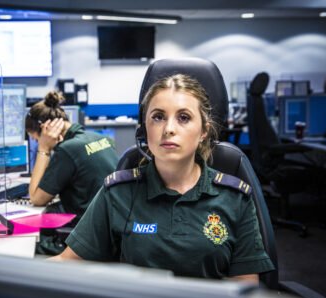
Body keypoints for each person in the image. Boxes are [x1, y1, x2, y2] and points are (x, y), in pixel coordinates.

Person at [50, 74, 275, 284]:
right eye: (158, 117)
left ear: (204, 131)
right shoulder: (117, 192)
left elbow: (245, 291)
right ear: (144, 128)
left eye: (184, 118)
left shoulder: (235, 197)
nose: (168, 129)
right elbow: (68, 262)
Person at [25, 90, 119, 255]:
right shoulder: (98, 138)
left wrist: (44, 148)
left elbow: (36, 198)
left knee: (26, 245)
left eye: (35, 139)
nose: (36, 143)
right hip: (110, 230)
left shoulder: (67, 150)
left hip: (86, 238)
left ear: (45, 129)